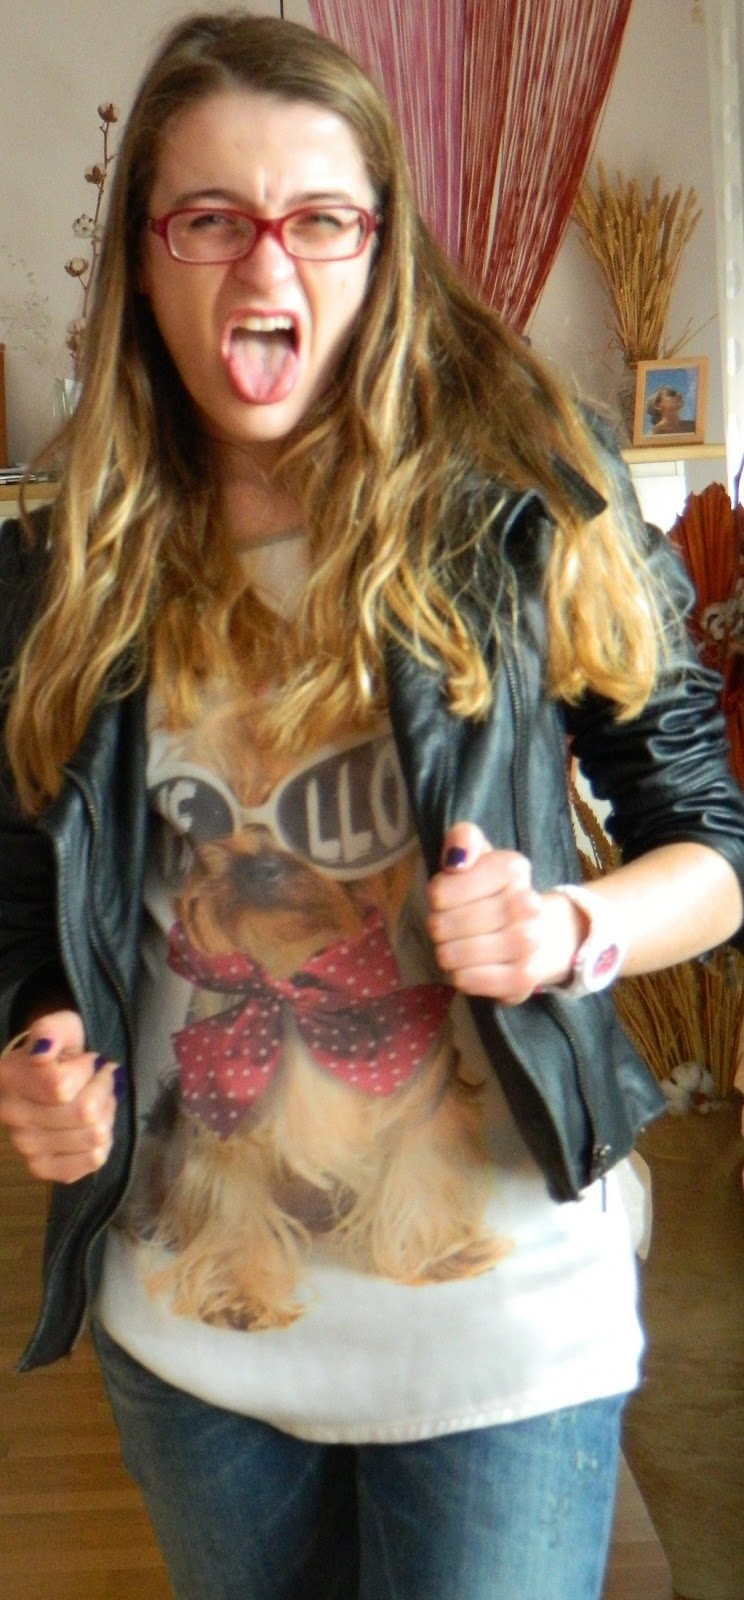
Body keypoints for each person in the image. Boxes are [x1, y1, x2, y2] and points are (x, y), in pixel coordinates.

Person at [1, 13, 743, 1600]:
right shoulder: (63, 563)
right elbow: (27, 898)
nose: (264, 265)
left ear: (383, 246)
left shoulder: (535, 493)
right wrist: (38, 1038)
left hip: (502, 1326)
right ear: (141, 255)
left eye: (320, 218)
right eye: (210, 219)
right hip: (193, 1325)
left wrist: (570, 929)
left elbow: (712, 845)